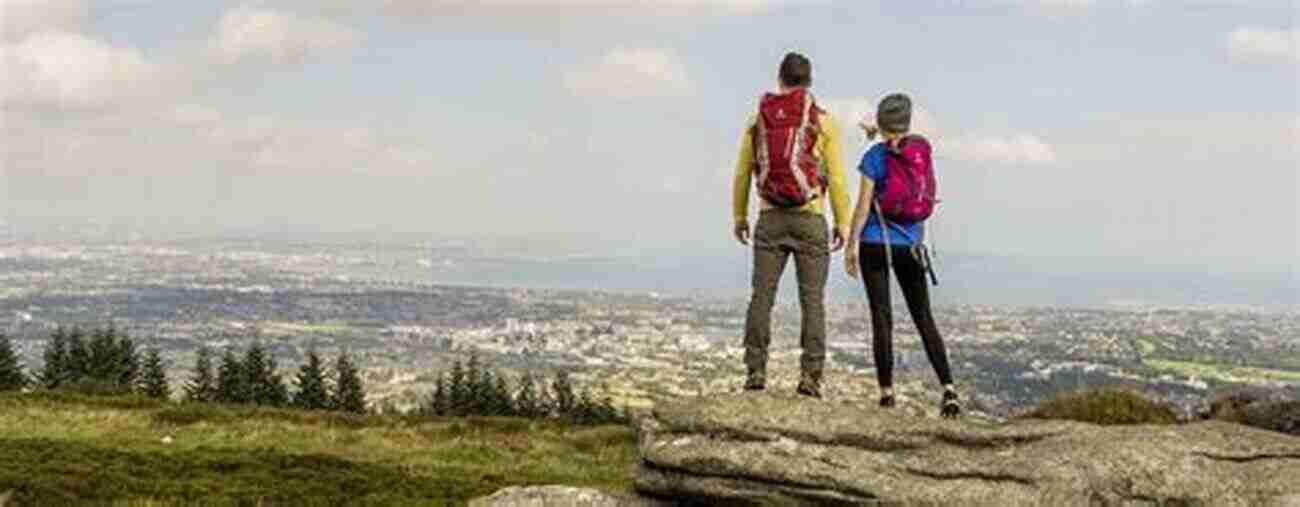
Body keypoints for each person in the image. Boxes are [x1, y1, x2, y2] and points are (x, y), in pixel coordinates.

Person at [732, 52, 850, 399]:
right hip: (811, 216)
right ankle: (810, 378)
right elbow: (839, 178)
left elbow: (742, 171)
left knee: (761, 298)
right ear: (809, 82)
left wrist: (739, 215)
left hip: (769, 218)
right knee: (812, 301)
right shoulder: (824, 121)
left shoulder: (759, 120)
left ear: (780, 79)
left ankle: (755, 371)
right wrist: (842, 221)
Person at [845, 93, 960, 418]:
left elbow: (863, 205)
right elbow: (896, 142)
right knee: (923, 317)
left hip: (874, 244)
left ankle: (886, 394)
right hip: (910, 246)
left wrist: (851, 245)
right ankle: (949, 390)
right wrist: (879, 131)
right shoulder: (920, 151)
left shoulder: (874, 157)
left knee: (882, 318)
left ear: (882, 125)